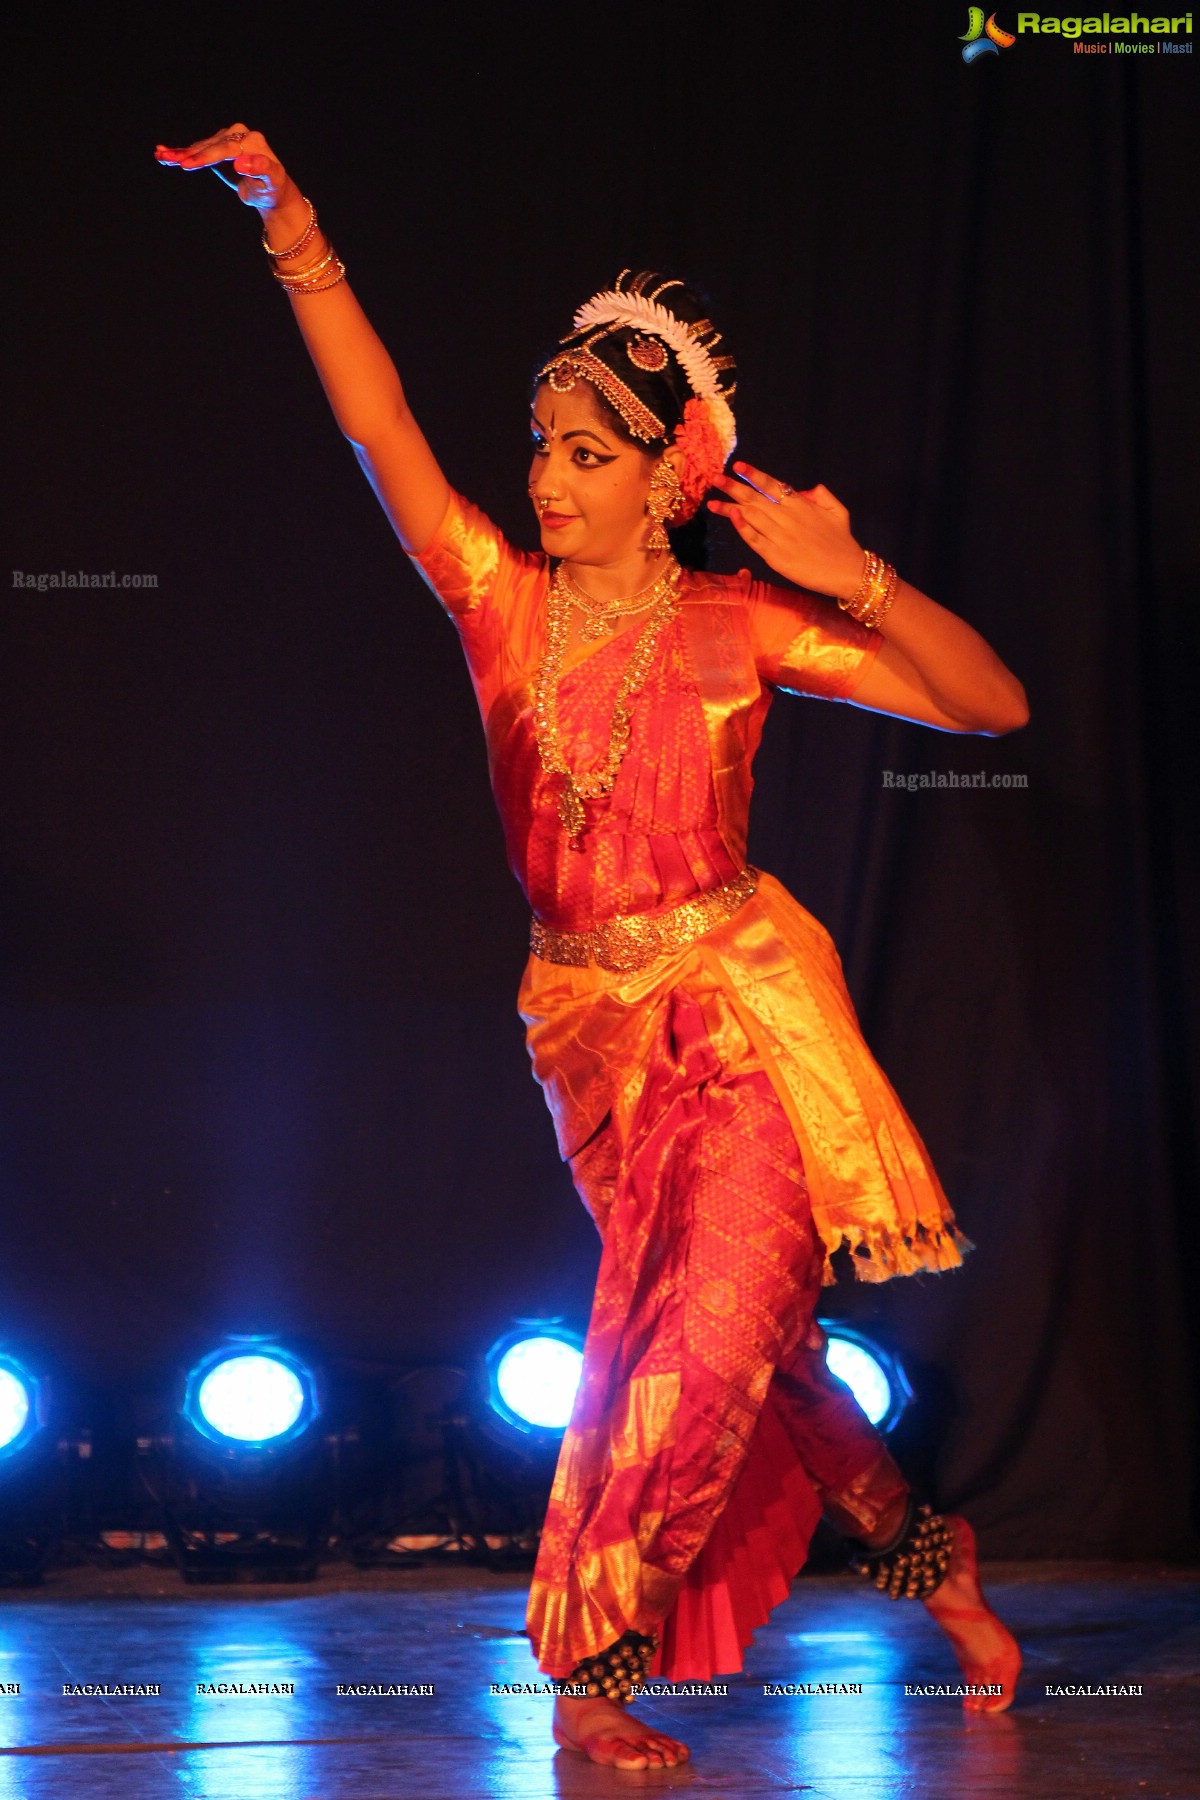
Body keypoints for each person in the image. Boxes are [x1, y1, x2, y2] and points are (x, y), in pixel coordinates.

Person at [155, 124, 1030, 1772]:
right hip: (588, 1037)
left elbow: (993, 705)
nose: (547, 475)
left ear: (665, 475)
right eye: (541, 445)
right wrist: (293, 225)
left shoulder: (741, 628)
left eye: (585, 451)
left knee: (691, 1340)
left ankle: (594, 1659)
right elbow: (379, 426)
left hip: (740, 1009)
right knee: (758, 1359)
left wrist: (870, 582)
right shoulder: (493, 600)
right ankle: (937, 1558)